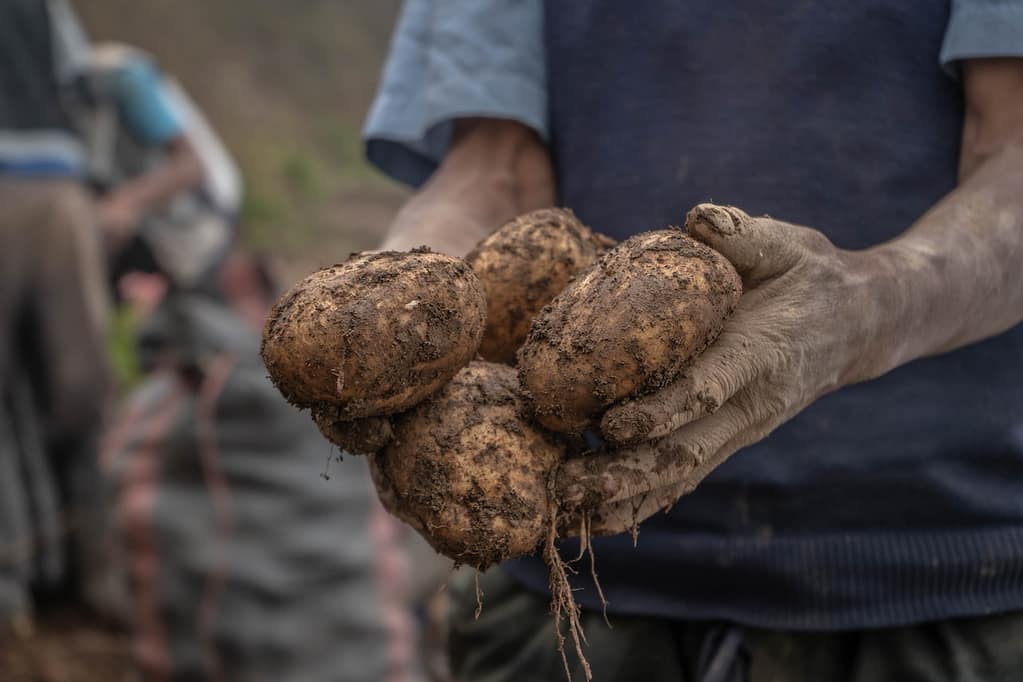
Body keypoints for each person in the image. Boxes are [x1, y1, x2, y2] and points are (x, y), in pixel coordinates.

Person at [358, 1, 1023, 679]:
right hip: (573, 581)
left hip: (939, 568)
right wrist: (392, 309)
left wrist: (873, 302)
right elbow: (492, 167)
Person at [0, 0, 113, 629]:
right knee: (83, 383)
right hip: (60, 194)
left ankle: (12, 585)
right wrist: (91, 183)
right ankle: (102, 571)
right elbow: (87, 87)